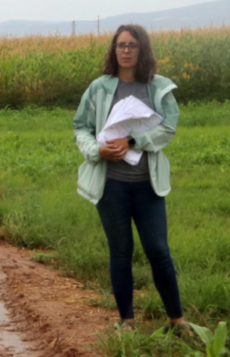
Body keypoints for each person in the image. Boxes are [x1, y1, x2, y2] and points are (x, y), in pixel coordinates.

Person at [72, 24, 187, 333]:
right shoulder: (99, 87)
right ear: (114, 50)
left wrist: (133, 141)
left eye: (132, 45)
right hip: (112, 186)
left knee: (158, 251)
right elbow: (80, 126)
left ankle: (177, 321)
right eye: (120, 45)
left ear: (142, 49)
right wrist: (97, 150)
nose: (125, 50)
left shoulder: (157, 87)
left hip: (147, 185)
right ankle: (127, 322)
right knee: (121, 252)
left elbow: (169, 127)